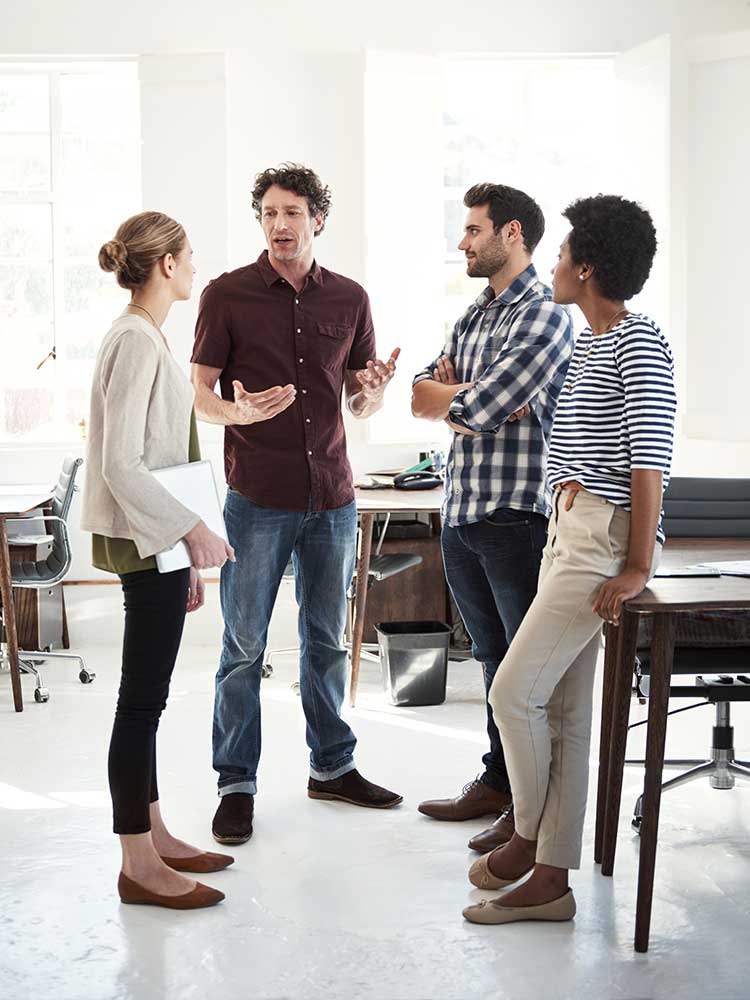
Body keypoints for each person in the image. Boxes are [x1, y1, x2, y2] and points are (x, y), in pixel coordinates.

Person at [463, 194, 677, 926]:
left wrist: (637, 565)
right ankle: (552, 878)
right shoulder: (590, 343)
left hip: (599, 541)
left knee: (510, 693)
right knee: (562, 711)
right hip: (568, 530)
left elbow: (650, 462)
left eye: (561, 255)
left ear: (587, 267)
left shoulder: (640, 341)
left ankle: (527, 839)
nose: (551, 264)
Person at [191, 163, 402, 846]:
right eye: (269, 213)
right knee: (244, 647)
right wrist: (239, 411)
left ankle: (332, 766)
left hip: (333, 499)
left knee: (326, 642)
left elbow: (361, 399)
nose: (279, 225)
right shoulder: (226, 296)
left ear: (318, 219)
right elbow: (199, 397)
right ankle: (236, 784)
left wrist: (374, 389)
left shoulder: (350, 299)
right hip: (259, 499)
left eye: (292, 213)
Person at [411, 183, 573, 849]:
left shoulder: (543, 313)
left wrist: (456, 395)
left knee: (525, 679)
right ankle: (499, 782)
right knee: (490, 661)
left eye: (473, 230)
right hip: (462, 512)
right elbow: (422, 393)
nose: (463, 242)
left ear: (511, 234)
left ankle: (534, 813)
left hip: (516, 517)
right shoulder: (476, 313)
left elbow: (472, 409)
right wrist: (457, 394)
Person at [81, 211, 235, 910]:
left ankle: (155, 833)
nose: (196, 266)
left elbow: (160, 452)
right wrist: (191, 531)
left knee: (148, 699)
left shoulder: (142, 336)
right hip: (149, 539)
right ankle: (137, 864)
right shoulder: (137, 340)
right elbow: (121, 463)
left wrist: (182, 553)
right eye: (190, 255)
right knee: (139, 704)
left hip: (155, 543)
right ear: (166, 265)